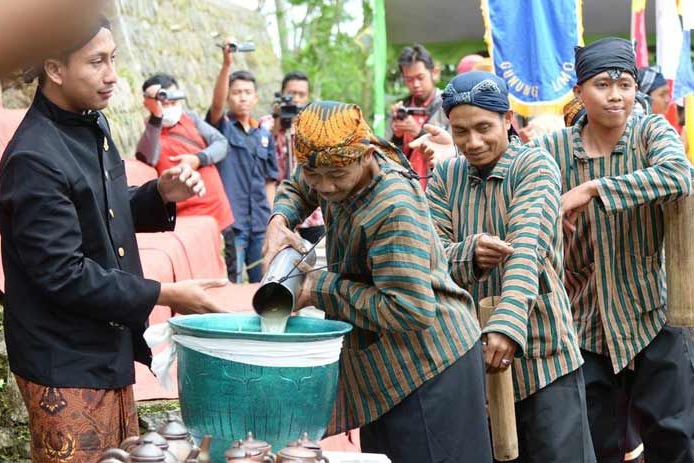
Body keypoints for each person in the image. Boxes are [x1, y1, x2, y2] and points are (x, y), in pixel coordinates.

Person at [0, 18, 229, 463]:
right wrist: (165, 293)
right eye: (97, 61)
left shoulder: (91, 125)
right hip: (64, 361)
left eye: (114, 59)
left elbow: (99, 206)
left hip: (104, 348)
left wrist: (159, 193)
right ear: (55, 69)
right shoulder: (33, 157)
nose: (112, 75)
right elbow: (63, 274)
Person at [263, 101, 492, 463]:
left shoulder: (392, 207)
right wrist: (281, 219)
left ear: (365, 154)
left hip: (430, 367)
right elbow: (300, 183)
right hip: (385, 364)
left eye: (336, 175)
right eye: (315, 173)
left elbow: (411, 309)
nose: (325, 187)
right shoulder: (331, 159)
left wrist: (317, 288)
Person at [530, 38, 694, 463]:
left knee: (674, 437)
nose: (616, 95)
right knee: (593, 441)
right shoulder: (553, 149)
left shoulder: (649, 131)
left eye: (625, 83)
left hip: (651, 312)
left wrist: (592, 189)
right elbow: (520, 192)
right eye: (603, 84)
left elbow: (679, 176)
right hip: (584, 321)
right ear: (579, 91)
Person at [423, 72, 594, 462]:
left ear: (507, 120)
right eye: (460, 131)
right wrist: (468, 253)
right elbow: (428, 256)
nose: (473, 142)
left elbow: (526, 250)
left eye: (484, 127)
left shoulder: (534, 166)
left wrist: (506, 324)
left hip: (543, 354)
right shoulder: (446, 176)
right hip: (470, 359)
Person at [136, 73, 237, 281]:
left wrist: (198, 159)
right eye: (164, 99)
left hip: (219, 214)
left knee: (230, 279)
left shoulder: (189, 118)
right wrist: (155, 117)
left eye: (174, 98)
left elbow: (221, 144)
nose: (170, 104)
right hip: (188, 227)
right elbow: (146, 156)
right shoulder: (151, 132)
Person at [208, 42, 278, 283]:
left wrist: (272, 217)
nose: (242, 97)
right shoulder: (222, 128)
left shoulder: (264, 135)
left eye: (247, 92)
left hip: (259, 222)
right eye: (236, 92)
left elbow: (271, 180)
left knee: (265, 284)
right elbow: (216, 107)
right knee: (232, 282)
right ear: (228, 97)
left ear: (256, 97)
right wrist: (226, 65)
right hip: (233, 223)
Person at [269, 71, 325, 244]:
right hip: (279, 211)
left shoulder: (316, 125)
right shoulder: (266, 124)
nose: (297, 99)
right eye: (291, 94)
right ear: (282, 94)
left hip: (313, 214)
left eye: (302, 94)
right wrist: (278, 121)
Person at [388, 44, 448, 189]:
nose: (415, 84)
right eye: (409, 79)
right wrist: (396, 136)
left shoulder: (448, 105)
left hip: (440, 188)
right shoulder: (401, 109)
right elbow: (389, 159)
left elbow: (456, 151)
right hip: (407, 190)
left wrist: (418, 133)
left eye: (420, 77)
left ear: (434, 72)